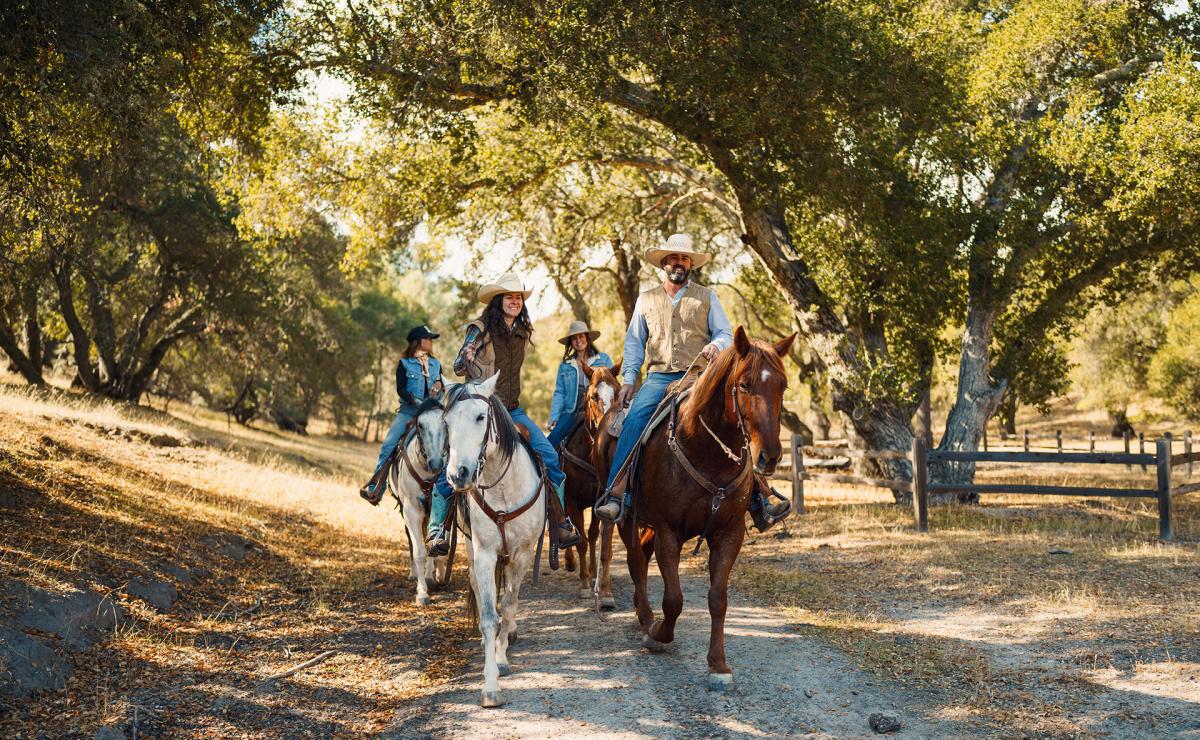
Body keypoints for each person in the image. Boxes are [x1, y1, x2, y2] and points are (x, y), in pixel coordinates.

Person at [593, 233, 791, 530]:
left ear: (690, 265)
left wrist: (716, 345)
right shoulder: (646, 299)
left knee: (733, 424)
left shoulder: (707, 296)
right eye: (674, 258)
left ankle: (760, 498)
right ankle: (617, 492)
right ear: (664, 263)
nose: (679, 263)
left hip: (700, 377)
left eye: (684, 258)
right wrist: (630, 380)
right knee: (635, 419)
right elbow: (634, 344)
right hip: (660, 377)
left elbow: (725, 333)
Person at [425, 273, 582, 555]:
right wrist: (466, 358)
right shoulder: (480, 328)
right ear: (498, 302)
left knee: (548, 456)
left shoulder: (521, 333)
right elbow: (460, 363)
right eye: (509, 297)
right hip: (479, 405)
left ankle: (560, 522)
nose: (514, 301)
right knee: (456, 460)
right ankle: (437, 527)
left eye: (518, 297)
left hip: (511, 409)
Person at [359, 324, 445, 500]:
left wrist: (439, 386)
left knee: (450, 443)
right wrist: (413, 399)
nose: (431, 342)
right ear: (418, 342)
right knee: (388, 446)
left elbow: (442, 386)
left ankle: (453, 490)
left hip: (433, 413)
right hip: (409, 411)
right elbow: (400, 389)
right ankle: (376, 487)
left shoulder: (436, 364)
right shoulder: (404, 364)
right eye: (428, 338)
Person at [546, 320, 613, 448]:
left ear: (587, 338)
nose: (578, 341)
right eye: (574, 338)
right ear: (571, 342)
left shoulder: (603, 359)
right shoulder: (565, 365)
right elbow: (559, 393)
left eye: (581, 336)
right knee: (550, 443)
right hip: (572, 412)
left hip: (597, 409)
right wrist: (554, 416)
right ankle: (548, 467)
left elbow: (611, 385)